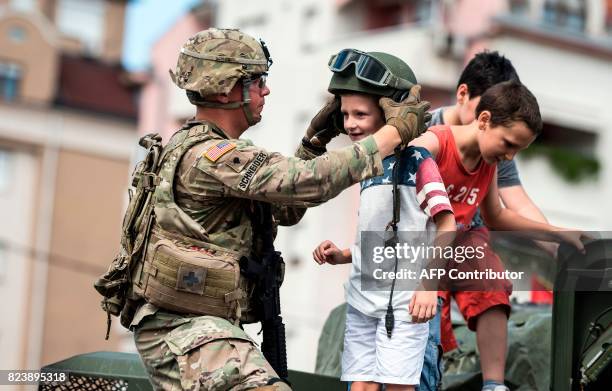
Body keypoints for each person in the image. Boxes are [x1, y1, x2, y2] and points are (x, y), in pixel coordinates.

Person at [95, 28, 431, 391]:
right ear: (226, 87)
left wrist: (313, 144)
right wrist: (394, 132)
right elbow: (308, 182)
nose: (265, 90)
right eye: (257, 81)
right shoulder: (211, 157)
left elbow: (284, 208)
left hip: (199, 328)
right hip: (185, 329)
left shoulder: (204, 151)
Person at [410, 80, 585, 391]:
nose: (510, 157)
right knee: (425, 348)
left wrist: (557, 233)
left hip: (458, 247)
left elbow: (497, 216)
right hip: (423, 251)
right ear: (484, 120)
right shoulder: (433, 145)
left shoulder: (486, 163)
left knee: (491, 279)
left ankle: (494, 384)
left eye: (518, 150)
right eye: (508, 144)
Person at [312, 50, 456, 391]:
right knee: (360, 386)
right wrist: (344, 254)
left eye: (360, 114)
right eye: (345, 114)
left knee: (397, 385)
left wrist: (428, 287)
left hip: (406, 300)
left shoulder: (418, 162)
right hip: (364, 297)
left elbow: (447, 225)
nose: (350, 124)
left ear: (391, 114)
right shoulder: (367, 169)